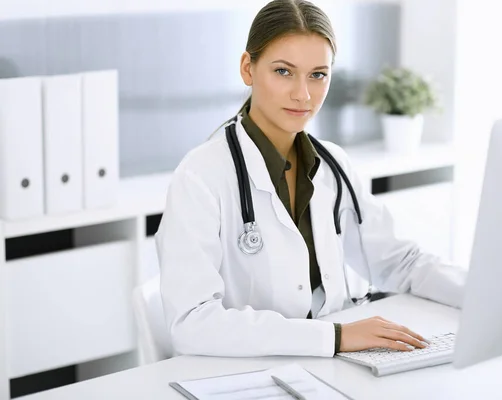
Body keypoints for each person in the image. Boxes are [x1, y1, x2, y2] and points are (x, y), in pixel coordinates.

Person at [155, 0, 466, 358]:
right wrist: (333, 337)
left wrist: (485, 294)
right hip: (246, 374)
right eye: (284, 71)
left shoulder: (334, 164)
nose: (303, 94)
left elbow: (400, 262)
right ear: (248, 68)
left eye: (318, 74)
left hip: (333, 368)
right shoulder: (200, 176)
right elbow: (193, 323)